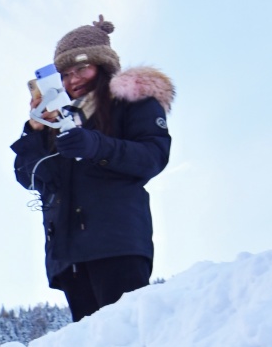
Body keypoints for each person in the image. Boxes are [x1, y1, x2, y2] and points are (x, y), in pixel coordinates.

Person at [12, 16, 174, 322]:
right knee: (95, 346)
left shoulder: (132, 102)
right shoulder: (56, 119)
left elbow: (153, 156)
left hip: (117, 242)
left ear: (103, 66)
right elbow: (28, 177)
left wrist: (96, 146)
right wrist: (34, 130)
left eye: (81, 68)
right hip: (68, 254)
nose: (73, 80)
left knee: (127, 334)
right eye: (64, 74)